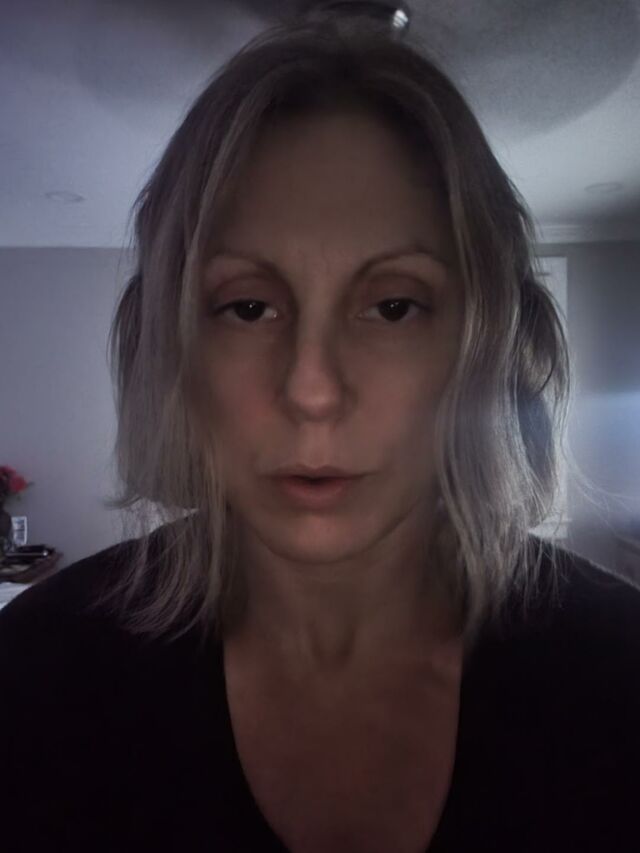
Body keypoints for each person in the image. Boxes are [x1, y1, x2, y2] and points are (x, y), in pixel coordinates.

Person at [0, 12, 638, 853]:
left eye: (394, 306)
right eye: (248, 307)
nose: (311, 390)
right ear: (176, 348)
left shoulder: (619, 672)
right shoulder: (37, 672)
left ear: (483, 344)